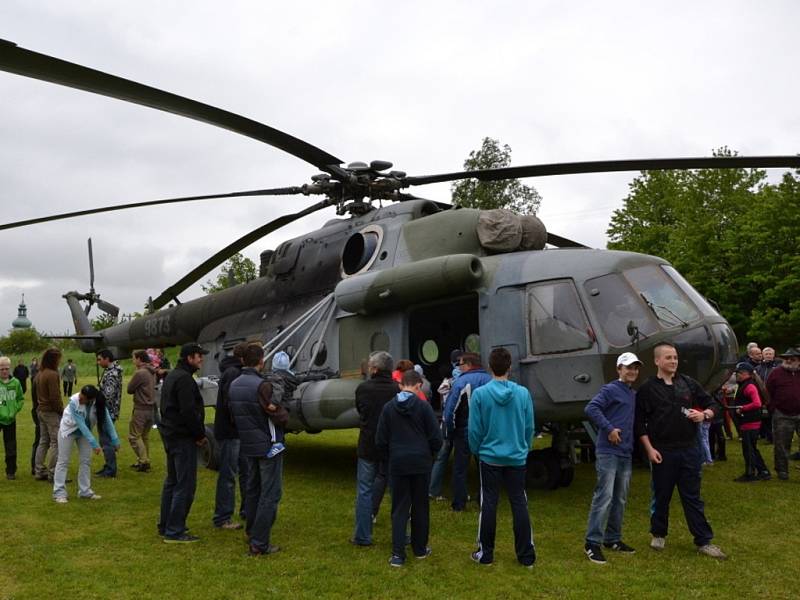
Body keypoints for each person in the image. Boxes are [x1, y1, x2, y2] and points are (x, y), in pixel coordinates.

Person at [634, 342, 726, 560]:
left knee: (692, 497)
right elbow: (639, 423)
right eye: (668, 358)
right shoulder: (647, 388)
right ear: (657, 361)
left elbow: (713, 404)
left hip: (689, 450)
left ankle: (703, 541)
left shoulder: (688, 383)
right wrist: (649, 449)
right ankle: (658, 533)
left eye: (675, 357)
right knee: (661, 494)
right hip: (662, 451)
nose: (673, 361)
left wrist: (705, 415)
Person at [468, 347, 536, 567]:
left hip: (490, 457)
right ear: (509, 367)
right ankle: (526, 555)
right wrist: (524, 447)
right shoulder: (523, 394)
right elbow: (529, 426)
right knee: (519, 503)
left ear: (489, 367)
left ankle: (485, 553)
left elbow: (474, 430)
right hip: (516, 456)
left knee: (489, 503)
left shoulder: (480, 394)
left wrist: (477, 450)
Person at [376, 370, 442, 567]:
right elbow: (436, 438)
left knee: (399, 508)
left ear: (400, 384)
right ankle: (420, 548)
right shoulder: (424, 407)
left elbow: (380, 440)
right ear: (418, 385)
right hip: (421, 463)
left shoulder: (388, 408)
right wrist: (429, 454)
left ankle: (398, 554)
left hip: (397, 463)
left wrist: (389, 458)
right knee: (421, 506)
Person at [229, 343, 289, 556]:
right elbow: (277, 415)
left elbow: (232, 415)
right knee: (270, 494)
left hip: (248, 444)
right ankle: (260, 542)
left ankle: (252, 531)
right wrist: (284, 413)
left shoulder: (234, 384)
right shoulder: (263, 385)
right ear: (261, 361)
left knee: (252, 489)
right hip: (269, 445)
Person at [583, 352, 641, 564]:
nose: (632, 371)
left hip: (625, 452)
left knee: (620, 498)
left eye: (635, 367)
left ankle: (613, 539)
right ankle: (592, 543)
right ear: (619, 369)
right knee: (604, 496)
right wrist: (608, 429)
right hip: (608, 452)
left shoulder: (632, 394)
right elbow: (591, 408)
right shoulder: (610, 389)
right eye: (628, 367)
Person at [158, 343, 208, 543]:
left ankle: (165, 524)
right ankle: (175, 530)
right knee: (184, 485)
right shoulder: (185, 379)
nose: (201, 360)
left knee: (172, 481)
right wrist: (199, 435)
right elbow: (188, 412)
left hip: (170, 434)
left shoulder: (172, 376)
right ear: (189, 358)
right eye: (198, 356)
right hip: (182, 437)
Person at [351, 351, 399, 547]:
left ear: (376, 369)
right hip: (392, 445)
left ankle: (362, 535)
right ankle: (401, 534)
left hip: (368, 444)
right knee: (398, 490)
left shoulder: (363, 389)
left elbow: (361, 410)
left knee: (364, 490)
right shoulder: (397, 390)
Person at [52, 385, 120, 503]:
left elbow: (107, 420)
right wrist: (94, 444)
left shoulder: (98, 403)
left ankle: (85, 491)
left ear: (91, 399)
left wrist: (115, 439)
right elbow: (81, 425)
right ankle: (59, 492)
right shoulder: (74, 402)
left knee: (86, 461)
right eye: (80, 395)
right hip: (68, 431)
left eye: (83, 398)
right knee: (63, 461)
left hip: (85, 433)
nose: (80, 398)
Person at [443, 352, 491, 511]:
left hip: (465, 430)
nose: (459, 367)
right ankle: (485, 500)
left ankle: (459, 503)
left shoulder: (461, 382)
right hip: (486, 431)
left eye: (461, 364)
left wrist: (449, 432)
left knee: (460, 469)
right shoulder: (490, 381)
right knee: (485, 467)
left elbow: (450, 412)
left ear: (469, 365)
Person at [212, 342, 248, 530]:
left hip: (235, 431)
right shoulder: (233, 373)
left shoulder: (232, 371)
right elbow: (231, 403)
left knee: (245, 471)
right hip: (231, 432)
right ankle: (222, 517)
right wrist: (242, 422)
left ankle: (247, 509)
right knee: (228, 474)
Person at [428, 350, 462, 500]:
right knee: (462, 458)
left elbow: (441, 392)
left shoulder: (446, 382)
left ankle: (433, 489)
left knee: (442, 457)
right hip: (460, 422)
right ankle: (461, 492)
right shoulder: (460, 378)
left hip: (447, 421)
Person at [730, 362, 771, 482]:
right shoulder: (746, 384)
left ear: (744, 374)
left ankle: (750, 474)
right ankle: (764, 472)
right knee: (752, 448)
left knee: (748, 450)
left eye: (737, 373)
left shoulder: (749, 386)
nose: (736, 376)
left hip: (750, 422)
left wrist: (742, 408)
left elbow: (757, 403)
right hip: (749, 421)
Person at [766, 348, 800, 481]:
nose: (789, 361)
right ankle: (782, 470)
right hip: (782, 414)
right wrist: (772, 408)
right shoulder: (776, 373)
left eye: (793, 359)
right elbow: (767, 393)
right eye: (787, 358)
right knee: (781, 444)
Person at [34, 348, 63, 482]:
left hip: (41, 411)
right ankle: (53, 473)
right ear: (54, 359)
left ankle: (39, 470)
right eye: (58, 358)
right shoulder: (52, 374)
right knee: (55, 442)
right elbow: (55, 397)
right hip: (50, 412)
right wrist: (61, 411)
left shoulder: (40, 373)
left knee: (43, 441)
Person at [127, 350, 159, 473]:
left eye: (134, 358)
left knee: (134, 436)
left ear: (139, 359)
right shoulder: (152, 371)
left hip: (141, 408)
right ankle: (144, 459)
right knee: (144, 436)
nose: (133, 360)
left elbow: (130, 389)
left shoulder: (140, 373)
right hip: (151, 409)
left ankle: (144, 461)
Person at [96, 349, 123, 478]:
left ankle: (111, 469)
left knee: (106, 441)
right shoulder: (111, 371)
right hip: (108, 411)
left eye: (99, 359)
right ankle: (108, 466)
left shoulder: (112, 374)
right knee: (105, 440)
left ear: (107, 359)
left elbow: (108, 395)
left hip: (107, 411)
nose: (98, 362)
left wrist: (96, 397)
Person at [0, 356, 25, 480]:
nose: (4, 371)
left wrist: (15, 409)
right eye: (2, 369)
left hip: (10, 419)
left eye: (6, 369)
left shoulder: (15, 383)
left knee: (11, 446)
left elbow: (20, 399)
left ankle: (11, 471)